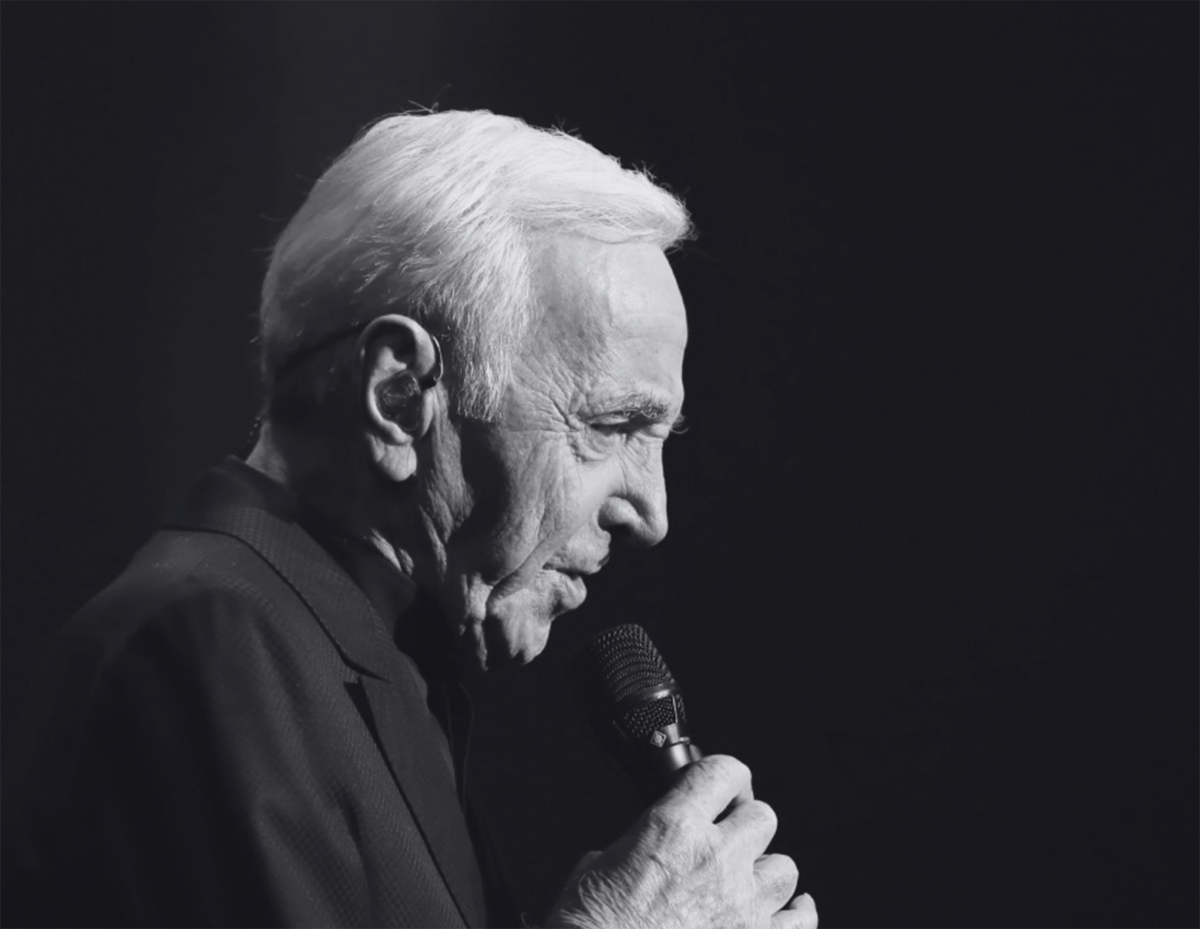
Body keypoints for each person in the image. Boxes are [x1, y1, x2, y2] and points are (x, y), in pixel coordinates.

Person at [0, 110, 817, 929]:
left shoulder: (366, 655)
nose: (652, 513)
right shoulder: (209, 645)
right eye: (611, 426)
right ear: (399, 396)